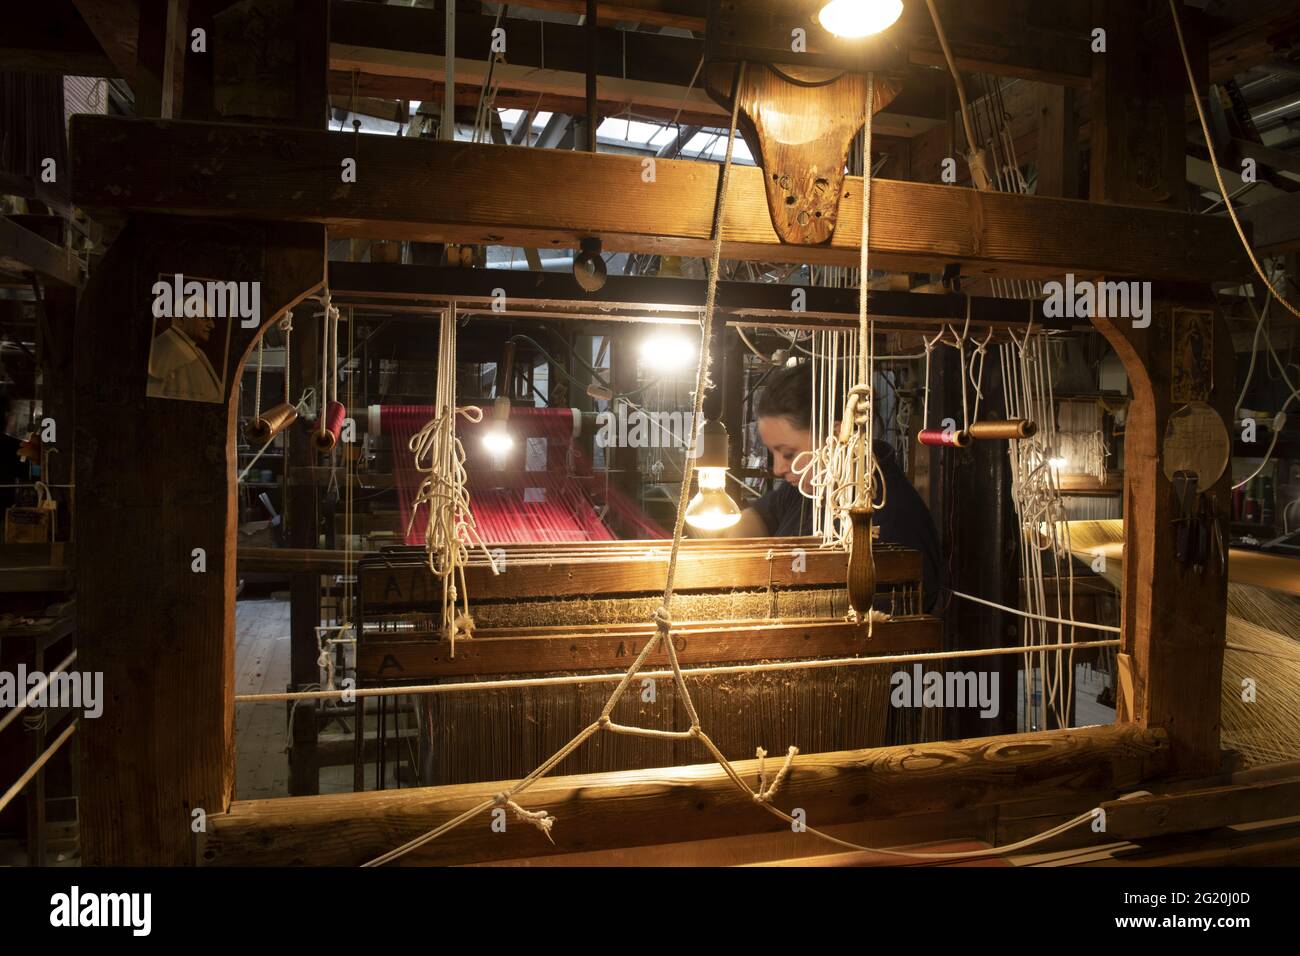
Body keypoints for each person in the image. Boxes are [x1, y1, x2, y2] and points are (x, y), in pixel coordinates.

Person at [728, 362, 942, 610]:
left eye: (787, 453)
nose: (777, 469)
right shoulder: (808, 487)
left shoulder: (894, 519)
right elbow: (757, 517)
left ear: (837, 436)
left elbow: (882, 624)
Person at [147, 310, 223, 403]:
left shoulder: (194, 350)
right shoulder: (175, 354)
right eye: (204, 318)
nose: (212, 325)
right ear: (181, 319)